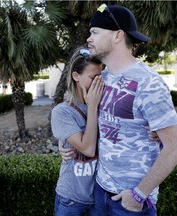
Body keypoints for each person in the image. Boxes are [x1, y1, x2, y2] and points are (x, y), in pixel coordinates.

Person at [85, 3, 177, 215]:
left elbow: (176, 147)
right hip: (100, 189)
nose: (89, 38)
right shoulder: (103, 77)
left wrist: (139, 194)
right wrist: (65, 142)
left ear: (117, 36)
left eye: (95, 32)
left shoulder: (149, 83)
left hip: (129, 202)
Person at [51, 47, 104, 216]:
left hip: (99, 197)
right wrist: (93, 106)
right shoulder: (63, 112)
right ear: (76, 76)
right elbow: (87, 148)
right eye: (93, 77)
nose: (99, 82)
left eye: (101, 76)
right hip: (72, 199)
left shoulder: (107, 105)